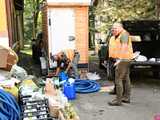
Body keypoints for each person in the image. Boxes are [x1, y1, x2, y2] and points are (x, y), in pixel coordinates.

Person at [108, 22, 133, 106]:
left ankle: (118, 100)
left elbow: (124, 47)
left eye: (115, 29)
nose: (113, 30)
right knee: (126, 78)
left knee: (118, 79)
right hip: (124, 59)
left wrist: (119, 59)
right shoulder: (117, 35)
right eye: (112, 29)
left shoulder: (124, 34)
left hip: (123, 60)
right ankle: (126, 97)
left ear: (120, 27)